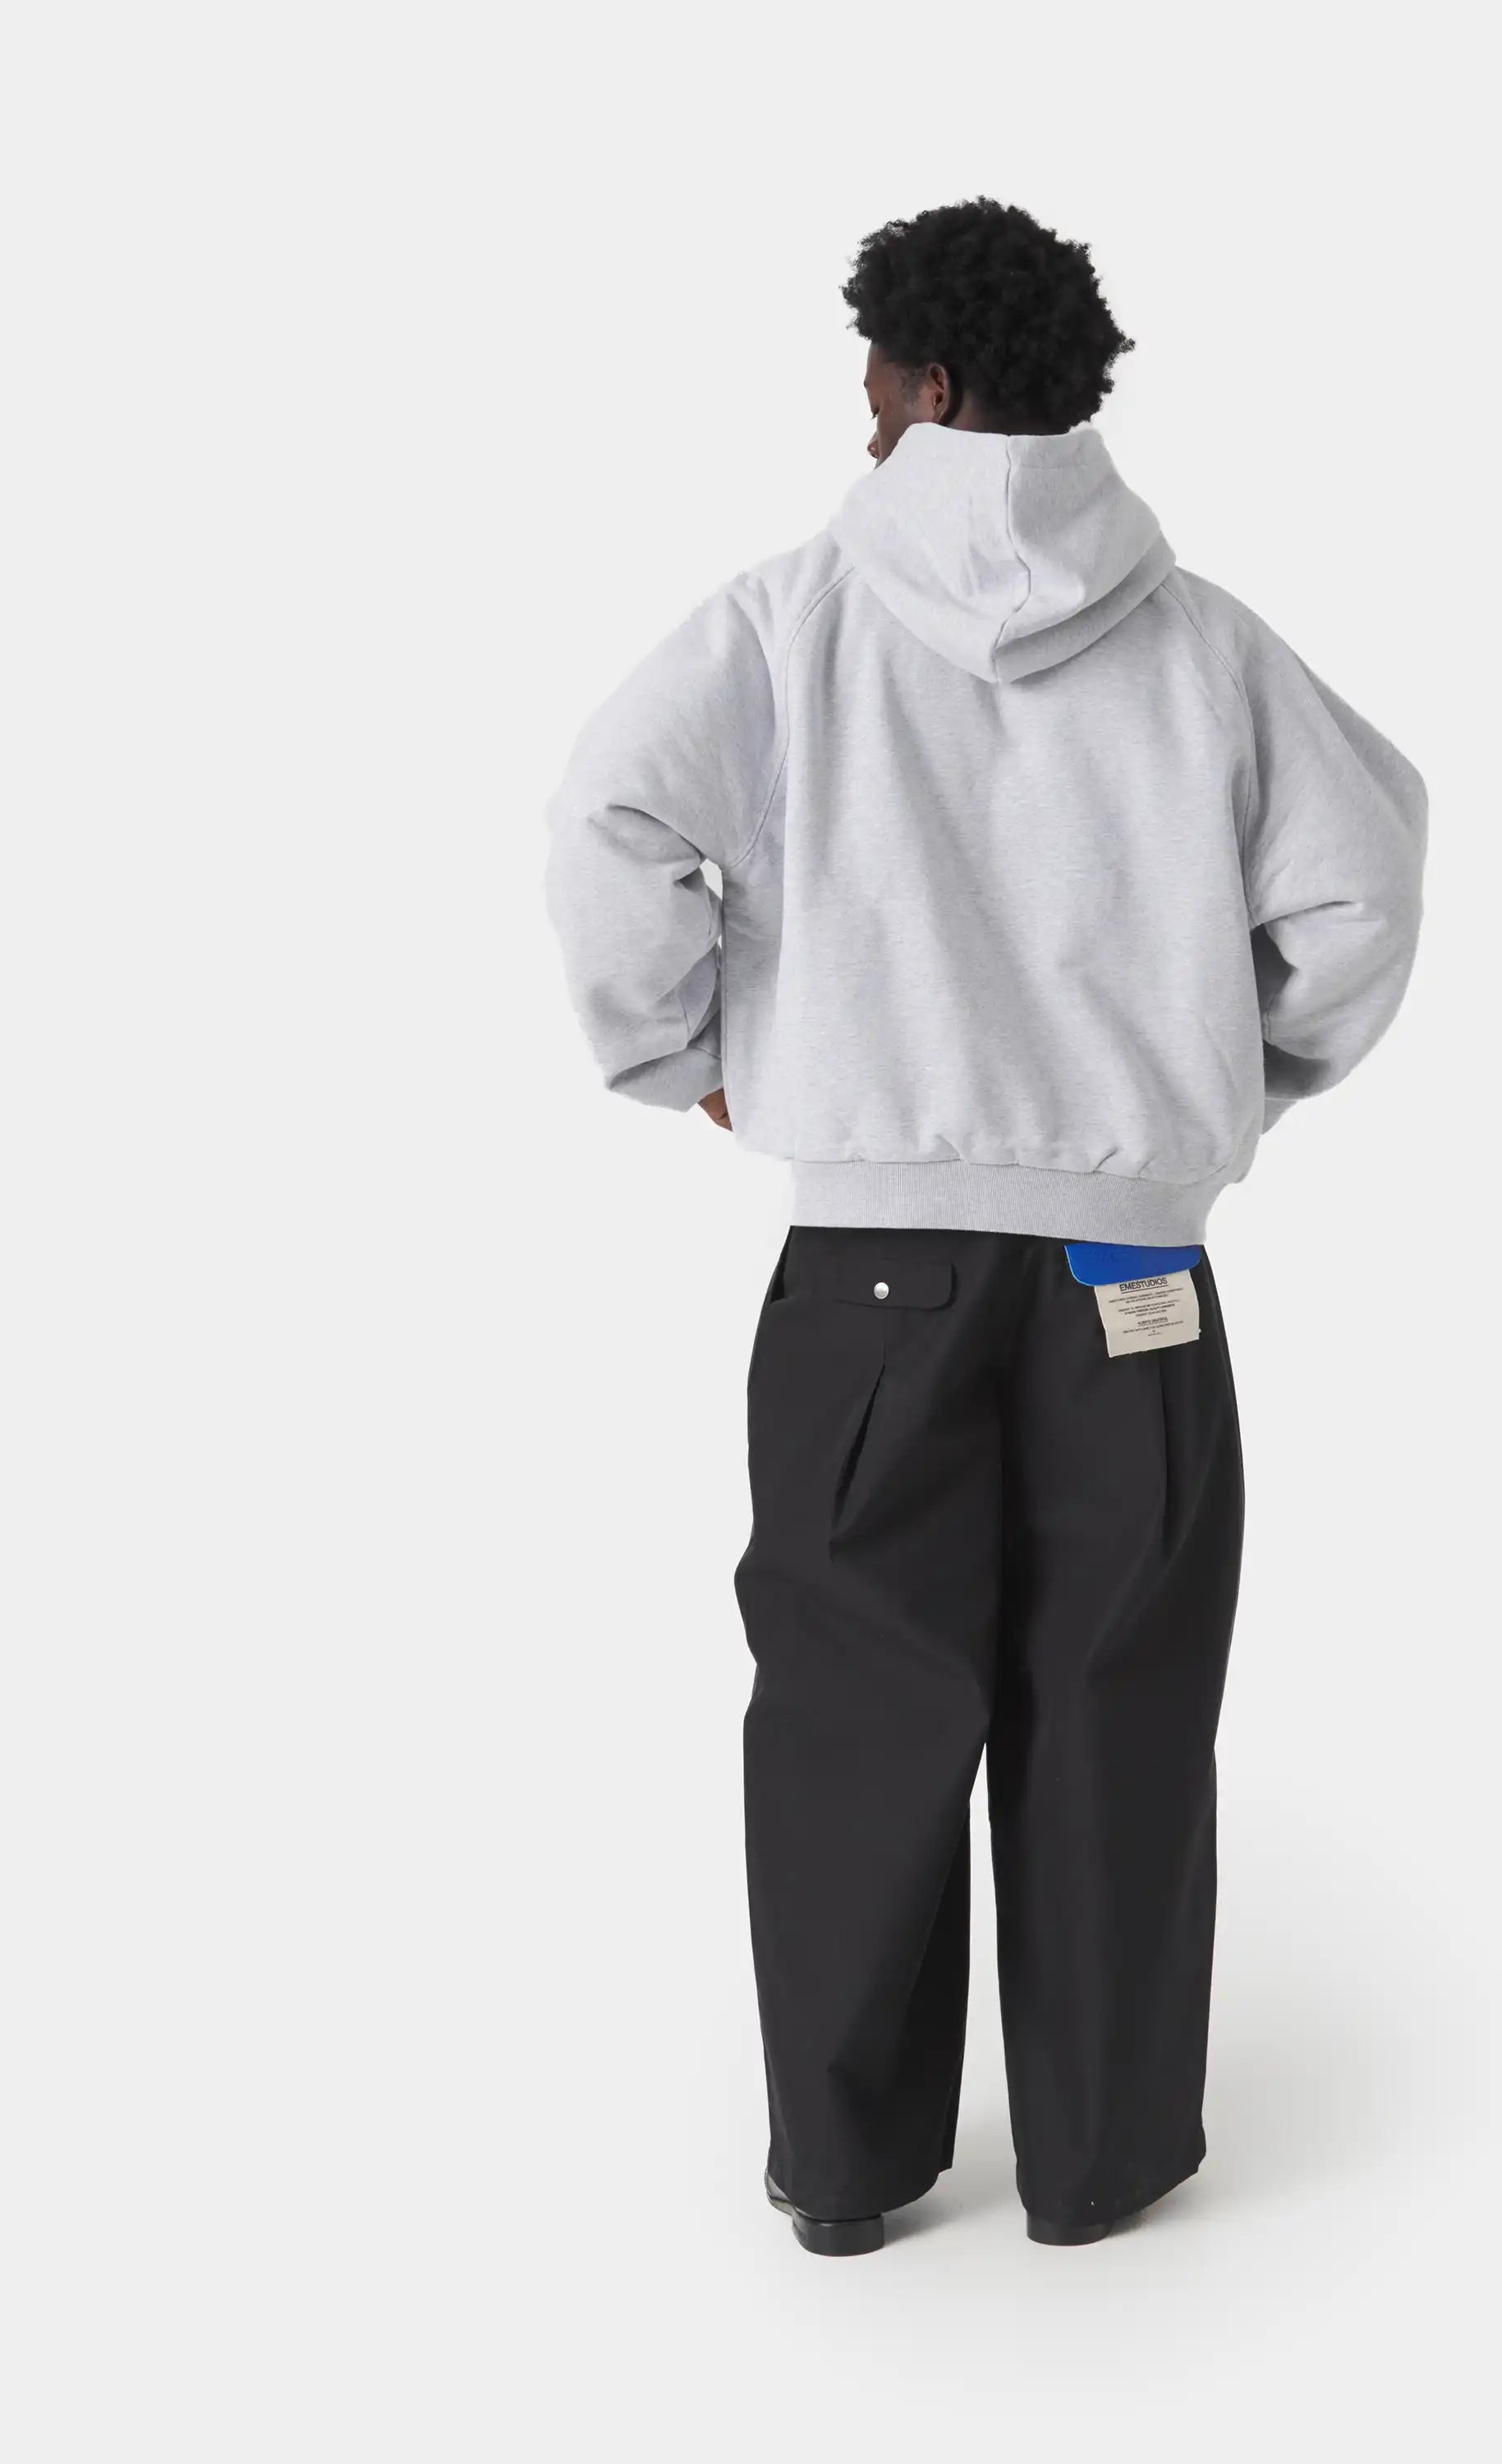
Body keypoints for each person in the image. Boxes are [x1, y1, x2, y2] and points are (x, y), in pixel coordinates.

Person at [546, 197, 1426, 2255]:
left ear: (931, 382)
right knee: (1122, 1709)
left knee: (854, 1718)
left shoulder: (784, 623)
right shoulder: (1211, 645)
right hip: (1136, 1273)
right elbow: (1366, 888)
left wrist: (683, 1057)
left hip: (870, 1275)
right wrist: (1234, 1084)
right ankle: (1100, 2170)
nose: (862, 418)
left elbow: (610, 823)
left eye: (875, 379)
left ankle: (851, 2175)